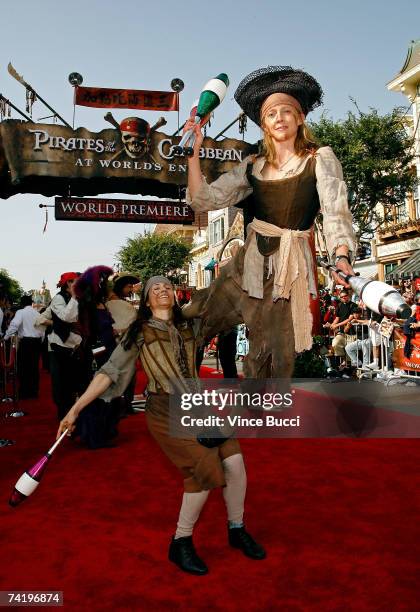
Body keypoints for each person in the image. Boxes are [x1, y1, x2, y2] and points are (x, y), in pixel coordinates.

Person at [57, 276, 265, 575]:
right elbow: (110, 371)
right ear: (146, 300)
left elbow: (226, 306)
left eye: (167, 286)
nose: (162, 290)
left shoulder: (191, 325)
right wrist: (75, 409)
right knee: (204, 468)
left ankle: (236, 529)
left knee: (234, 461)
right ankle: (180, 542)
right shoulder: (138, 331)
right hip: (164, 408)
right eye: (155, 288)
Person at [184, 66, 356, 378]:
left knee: (268, 351)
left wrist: (341, 256)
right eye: (271, 113)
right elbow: (203, 200)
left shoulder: (320, 158)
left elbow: (335, 211)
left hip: (286, 272)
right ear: (264, 124)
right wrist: (192, 156)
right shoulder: (253, 166)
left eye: (287, 111)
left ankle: (259, 418)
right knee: (195, 317)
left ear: (300, 117)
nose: (279, 118)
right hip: (245, 266)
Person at [73, 265, 121, 449]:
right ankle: (94, 436)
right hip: (97, 355)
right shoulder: (87, 306)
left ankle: (101, 432)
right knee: (97, 395)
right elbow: (86, 331)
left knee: (108, 395)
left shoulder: (100, 304)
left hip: (108, 352)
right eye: (104, 281)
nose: (108, 285)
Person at [47, 272, 82, 419]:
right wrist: (74, 297)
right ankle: (63, 415)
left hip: (74, 346)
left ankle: (73, 413)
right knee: (61, 384)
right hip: (59, 347)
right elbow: (67, 317)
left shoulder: (76, 299)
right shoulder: (58, 299)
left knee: (73, 382)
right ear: (68, 283)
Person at [4, 295, 44, 398]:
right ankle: (34, 392)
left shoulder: (21, 312)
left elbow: (14, 325)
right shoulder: (37, 313)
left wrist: (6, 337)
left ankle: (24, 392)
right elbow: (42, 330)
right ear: (31, 303)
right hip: (36, 342)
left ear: (22, 304)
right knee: (34, 367)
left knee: (23, 367)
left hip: (26, 342)